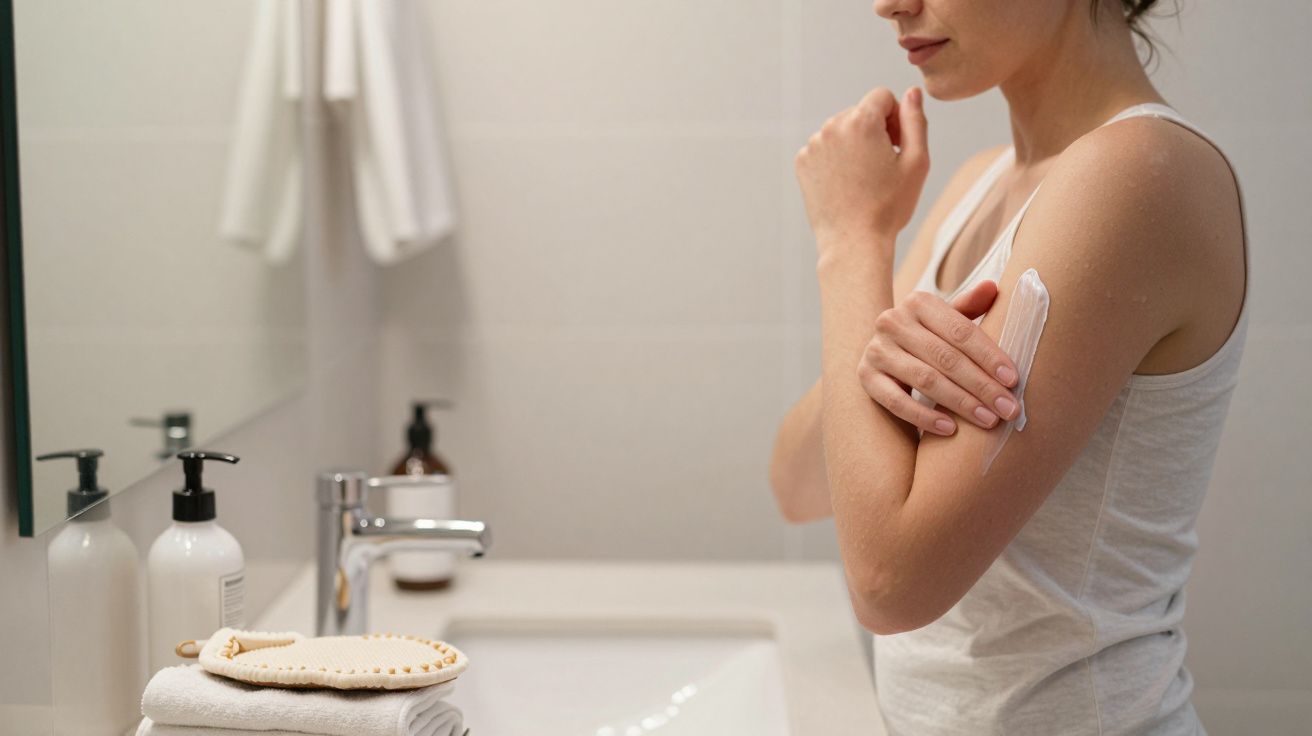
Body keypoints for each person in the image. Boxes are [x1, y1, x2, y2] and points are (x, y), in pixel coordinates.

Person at [768, 0, 1248, 733]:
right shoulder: (979, 186)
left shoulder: (1140, 174)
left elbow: (891, 584)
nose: (889, 4)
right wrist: (871, 319)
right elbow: (799, 483)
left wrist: (853, 243)